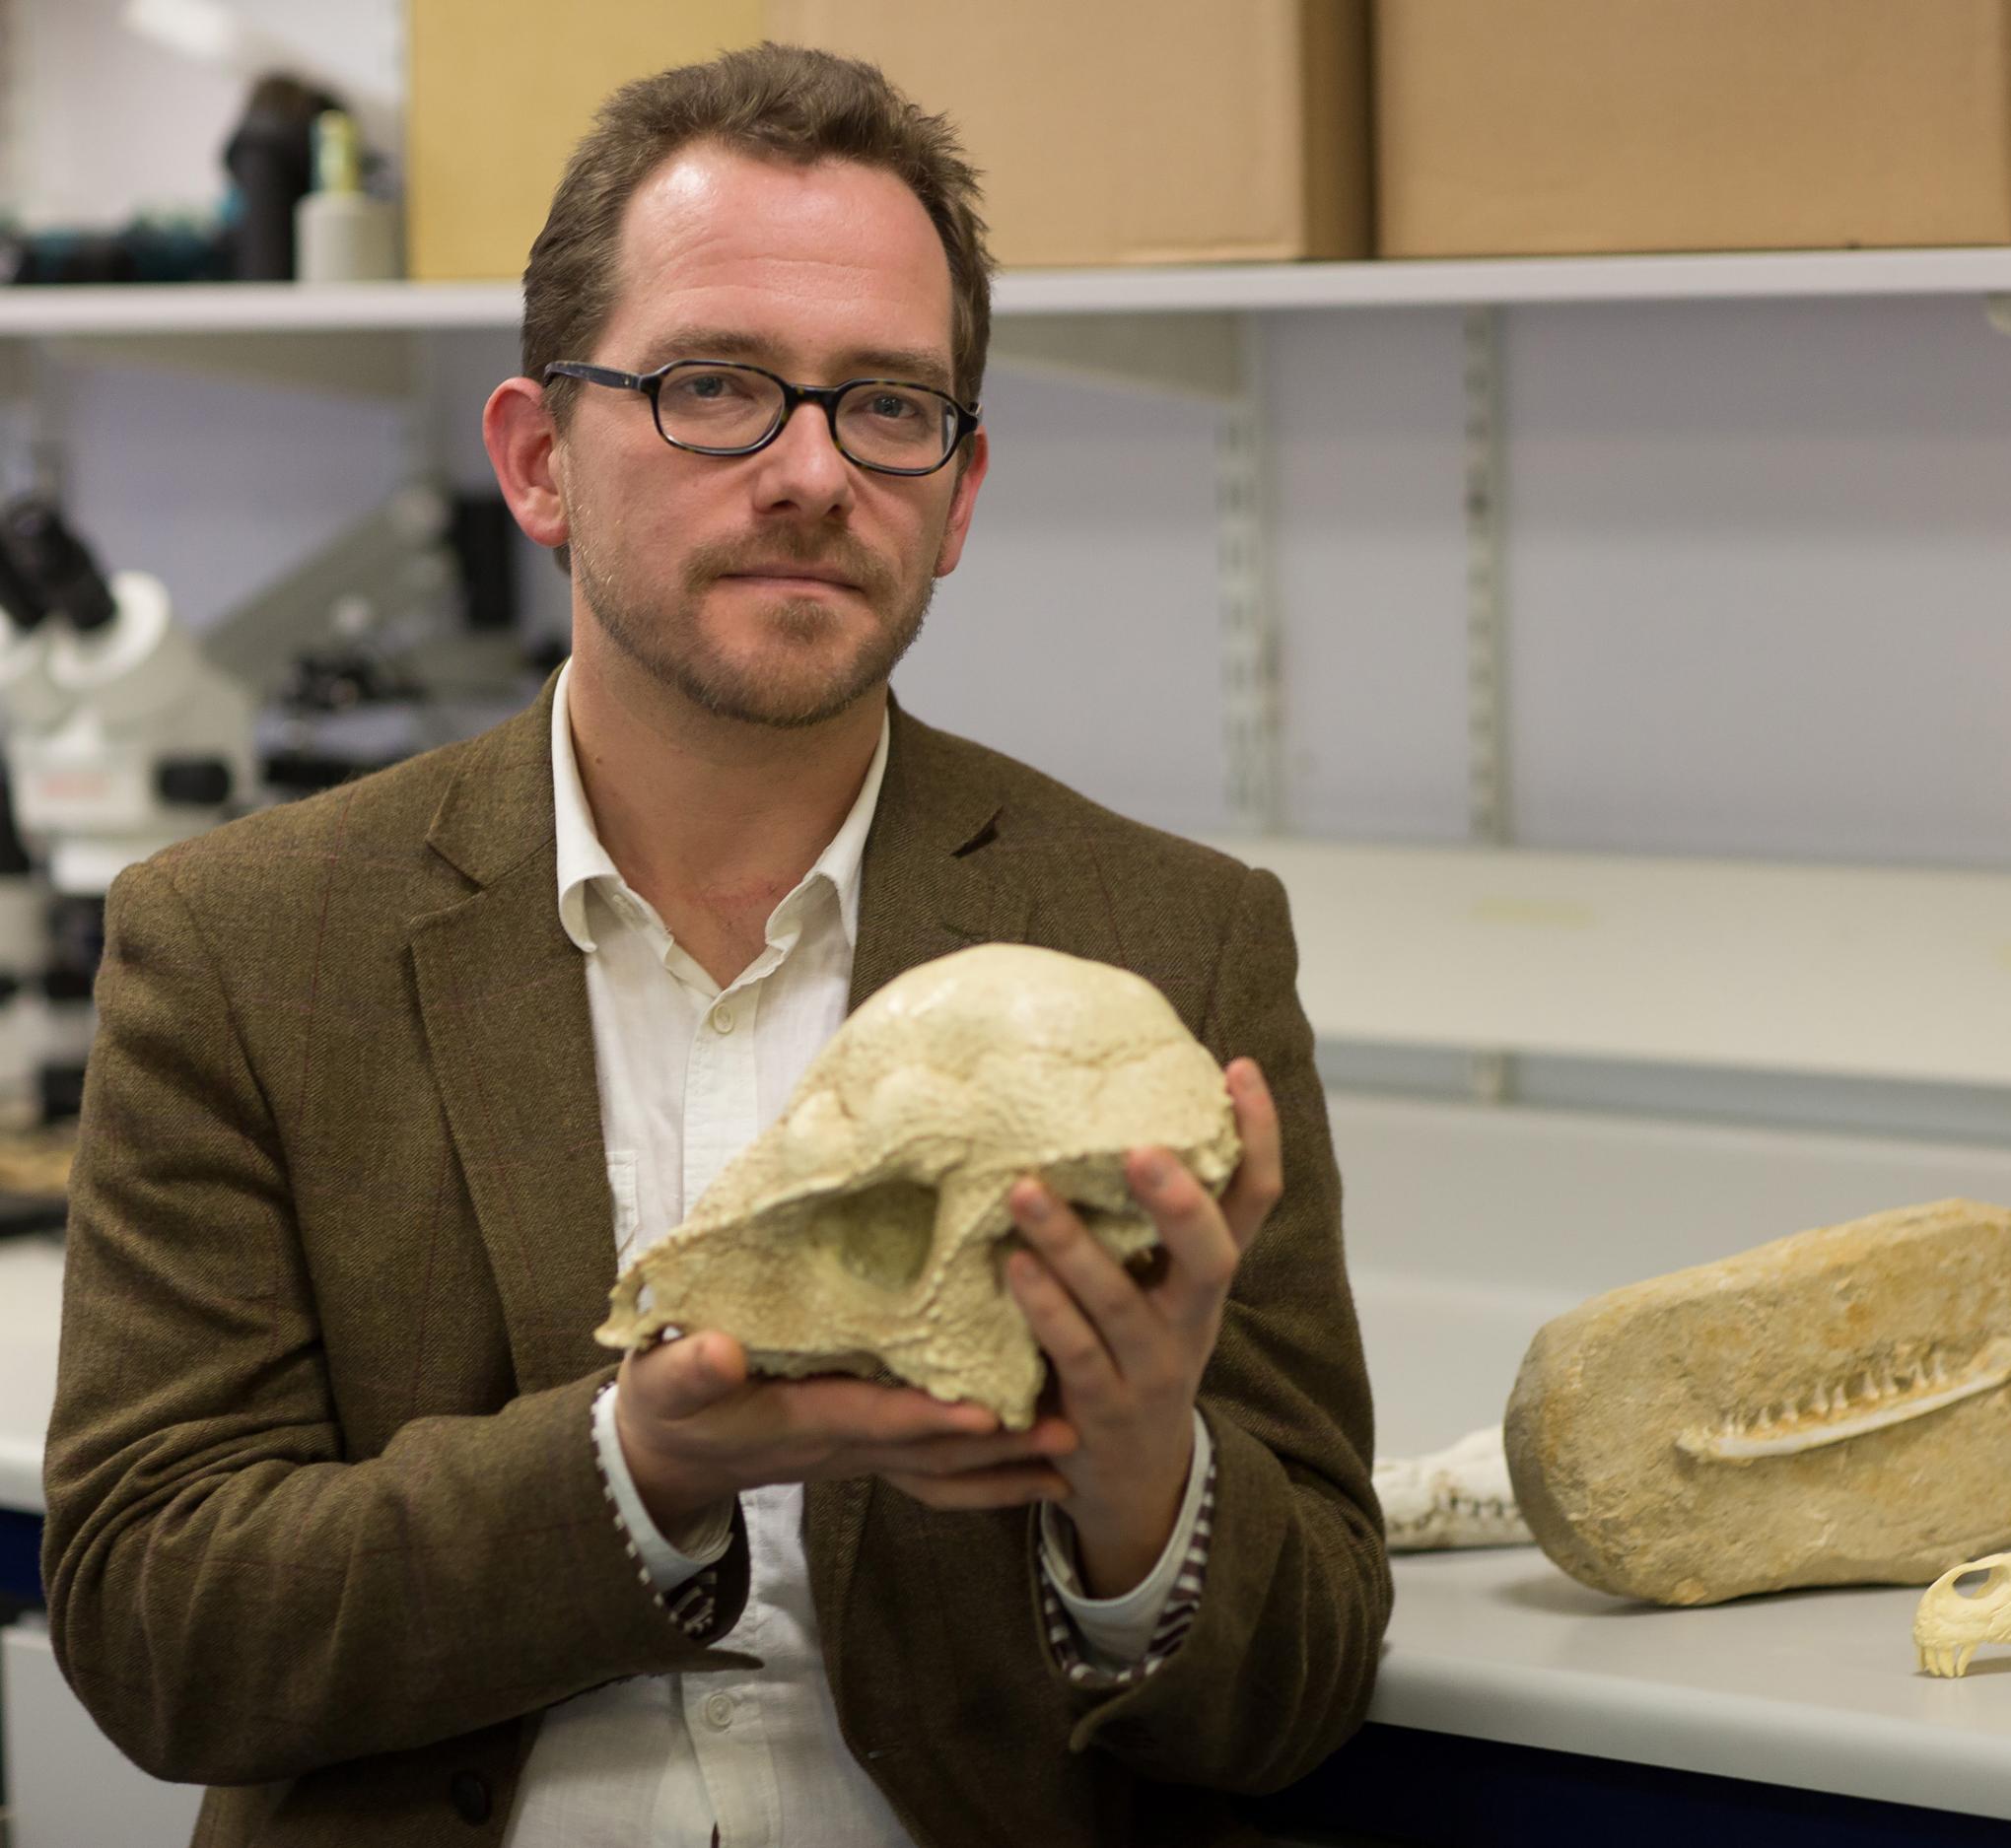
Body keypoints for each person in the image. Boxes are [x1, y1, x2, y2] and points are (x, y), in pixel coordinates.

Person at [42, 42, 1389, 1848]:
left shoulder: (1169, 946)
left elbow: (1300, 1691)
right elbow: (155, 1628)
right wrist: (644, 1465)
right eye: (715, 387)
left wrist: (1149, 1491)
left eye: (890, 406)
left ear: (960, 494)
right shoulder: (245, 946)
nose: (814, 471)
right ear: (536, 460)